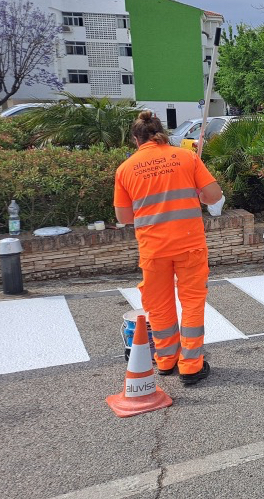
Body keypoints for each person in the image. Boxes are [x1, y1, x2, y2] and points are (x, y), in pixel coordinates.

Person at [114, 111, 225, 385]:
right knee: (191, 303)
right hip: (189, 243)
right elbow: (214, 196)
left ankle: (165, 360)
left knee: (159, 306)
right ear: (161, 132)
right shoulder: (187, 157)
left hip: (154, 248)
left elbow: (124, 218)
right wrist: (195, 191)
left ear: (135, 139)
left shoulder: (126, 169)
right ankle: (191, 366)